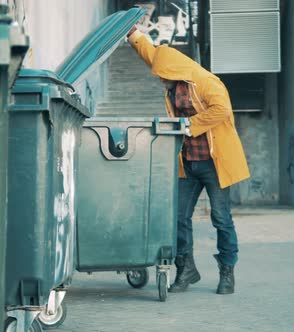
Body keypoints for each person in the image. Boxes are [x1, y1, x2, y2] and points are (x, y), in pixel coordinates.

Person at [126, 26, 250, 295]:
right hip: (188, 164)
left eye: (162, 77)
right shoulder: (170, 73)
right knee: (179, 217)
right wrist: (133, 35)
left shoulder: (206, 82)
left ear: (174, 72)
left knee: (221, 218)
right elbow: (151, 54)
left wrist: (189, 125)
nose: (160, 80)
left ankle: (227, 271)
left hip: (215, 164)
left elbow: (222, 109)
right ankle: (187, 269)